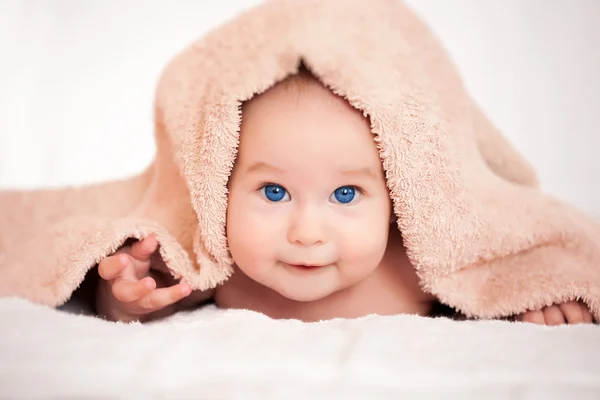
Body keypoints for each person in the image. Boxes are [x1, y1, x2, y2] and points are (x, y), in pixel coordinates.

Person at [95, 67, 595, 325]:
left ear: (399, 199)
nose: (307, 233)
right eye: (274, 192)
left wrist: (537, 298)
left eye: (346, 193)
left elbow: (506, 272)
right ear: (219, 190)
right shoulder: (225, 271)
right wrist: (127, 299)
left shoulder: (418, 268)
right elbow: (156, 299)